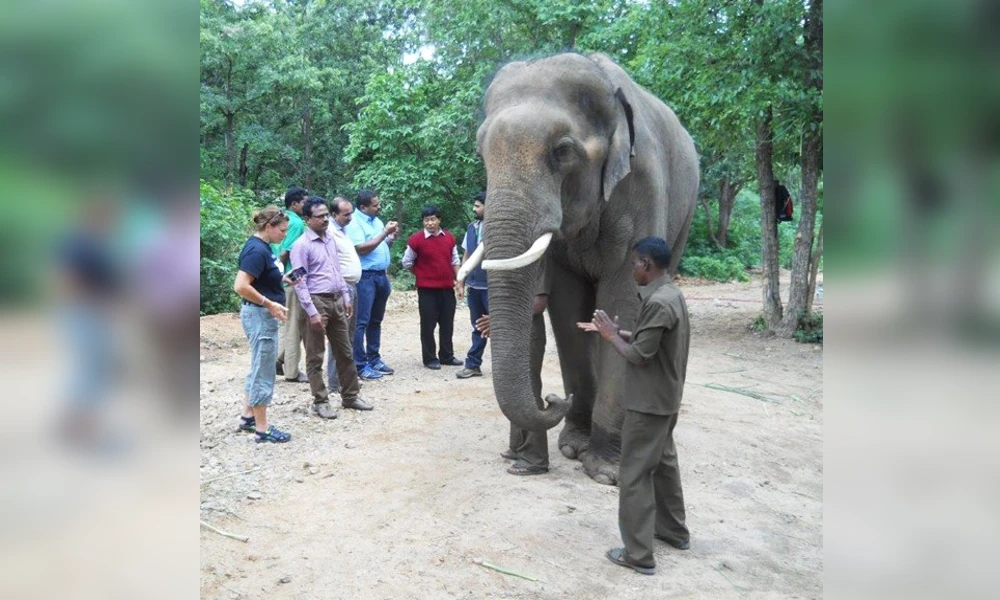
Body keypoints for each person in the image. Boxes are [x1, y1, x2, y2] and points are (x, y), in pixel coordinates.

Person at [578, 236, 691, 576]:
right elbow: (650, 340)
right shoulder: (670, 294)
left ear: (646, 264)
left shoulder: (657, 302)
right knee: (665, 465)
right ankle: (673, 531)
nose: (632, 271)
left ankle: (638, 553)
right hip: (667, 399)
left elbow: (640, 356)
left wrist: (613, 337)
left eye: (633, 265)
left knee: (635, 473)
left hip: (648, 404)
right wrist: (612, 331)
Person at [290, 197, 373, 419]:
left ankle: (350, 396)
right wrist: (312, 311)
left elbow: (336, 270)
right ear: (307, 219)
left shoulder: (330, 240)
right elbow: (299, 281)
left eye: (327, 215)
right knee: (315, 355)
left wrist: (345, 296)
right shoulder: (301, 246)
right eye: (320, 216)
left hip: (337, 299)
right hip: (316, 302)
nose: (325, 219)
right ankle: (321, 400)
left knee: (345, 351)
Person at [478, 259, 551, 475]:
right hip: (511, 331)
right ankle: (519, 445)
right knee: (512, 387)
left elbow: (539, 303)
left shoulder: (538, 263)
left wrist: (499, 319)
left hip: (528, 333)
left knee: (528, 390)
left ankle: (536, 457)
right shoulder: (510, 260)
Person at [233, 206, 293, 443]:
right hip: (259, 316)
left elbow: (261, 279)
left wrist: (283, 279)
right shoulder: (256, 251)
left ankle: (248, 417)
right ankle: (262, 428)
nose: (284, 234)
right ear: (269, 227)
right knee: (264, 370)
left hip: (263, 315)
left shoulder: (264, 248)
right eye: (282, 230)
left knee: (259, 365)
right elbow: (240, 285)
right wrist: (269, 303)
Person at [346, 189, 399, 380]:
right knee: (361, 321)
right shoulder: (354, 223)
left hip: (381, 276)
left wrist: (390, 239)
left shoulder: (375, 221)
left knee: (376, 320)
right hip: (366, 277)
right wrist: (385, 231)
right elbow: (361, 249)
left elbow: (380, 245)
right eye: (375, 205)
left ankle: (374, 358)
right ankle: (360, 365)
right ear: (363, 207)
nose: (379, 207)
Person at [402, 205, 462, 370]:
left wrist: (459, 281)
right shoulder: (416, 239)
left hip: (446, 288)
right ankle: (429, 358)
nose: (429, 223)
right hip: (427, 289)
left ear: (439, 220)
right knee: (428, 324)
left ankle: (447, 355)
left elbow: (454, 260)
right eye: (426, 220)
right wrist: (420, 273)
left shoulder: (449, 238)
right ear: (423, 222)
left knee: (447, 322)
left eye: (433, 219)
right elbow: (406, 262)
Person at [325, 196, 362, 393]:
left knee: (349, 335)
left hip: (351, 286)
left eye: (351, 213)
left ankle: (345, 378)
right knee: (339, 336)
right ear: (334, 214)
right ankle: (335, 382)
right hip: (341, 289)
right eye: (346, 214)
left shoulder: (343, 230)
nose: (350, 217)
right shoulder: (330, 233)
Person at [275, 186, 310, 383]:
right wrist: (282, 274)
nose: (306, 205)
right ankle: (291, 371)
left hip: (285, 278)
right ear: (295, 204)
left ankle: (278, 359)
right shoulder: (295, 223)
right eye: (304, 202)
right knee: (293, 325)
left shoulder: (284, 218)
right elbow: (285, 252)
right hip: (292, 278)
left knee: (289, 323)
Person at [456, 192, 488, 379]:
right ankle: (473, 364)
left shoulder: (501, 227)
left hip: (493, 286)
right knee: (478, 326)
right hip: (475, 286)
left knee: (499, 327)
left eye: (477, 206)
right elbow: (467, 255)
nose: (474, 209)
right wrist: (461, 281)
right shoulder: (472, 227)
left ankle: (507, 369)